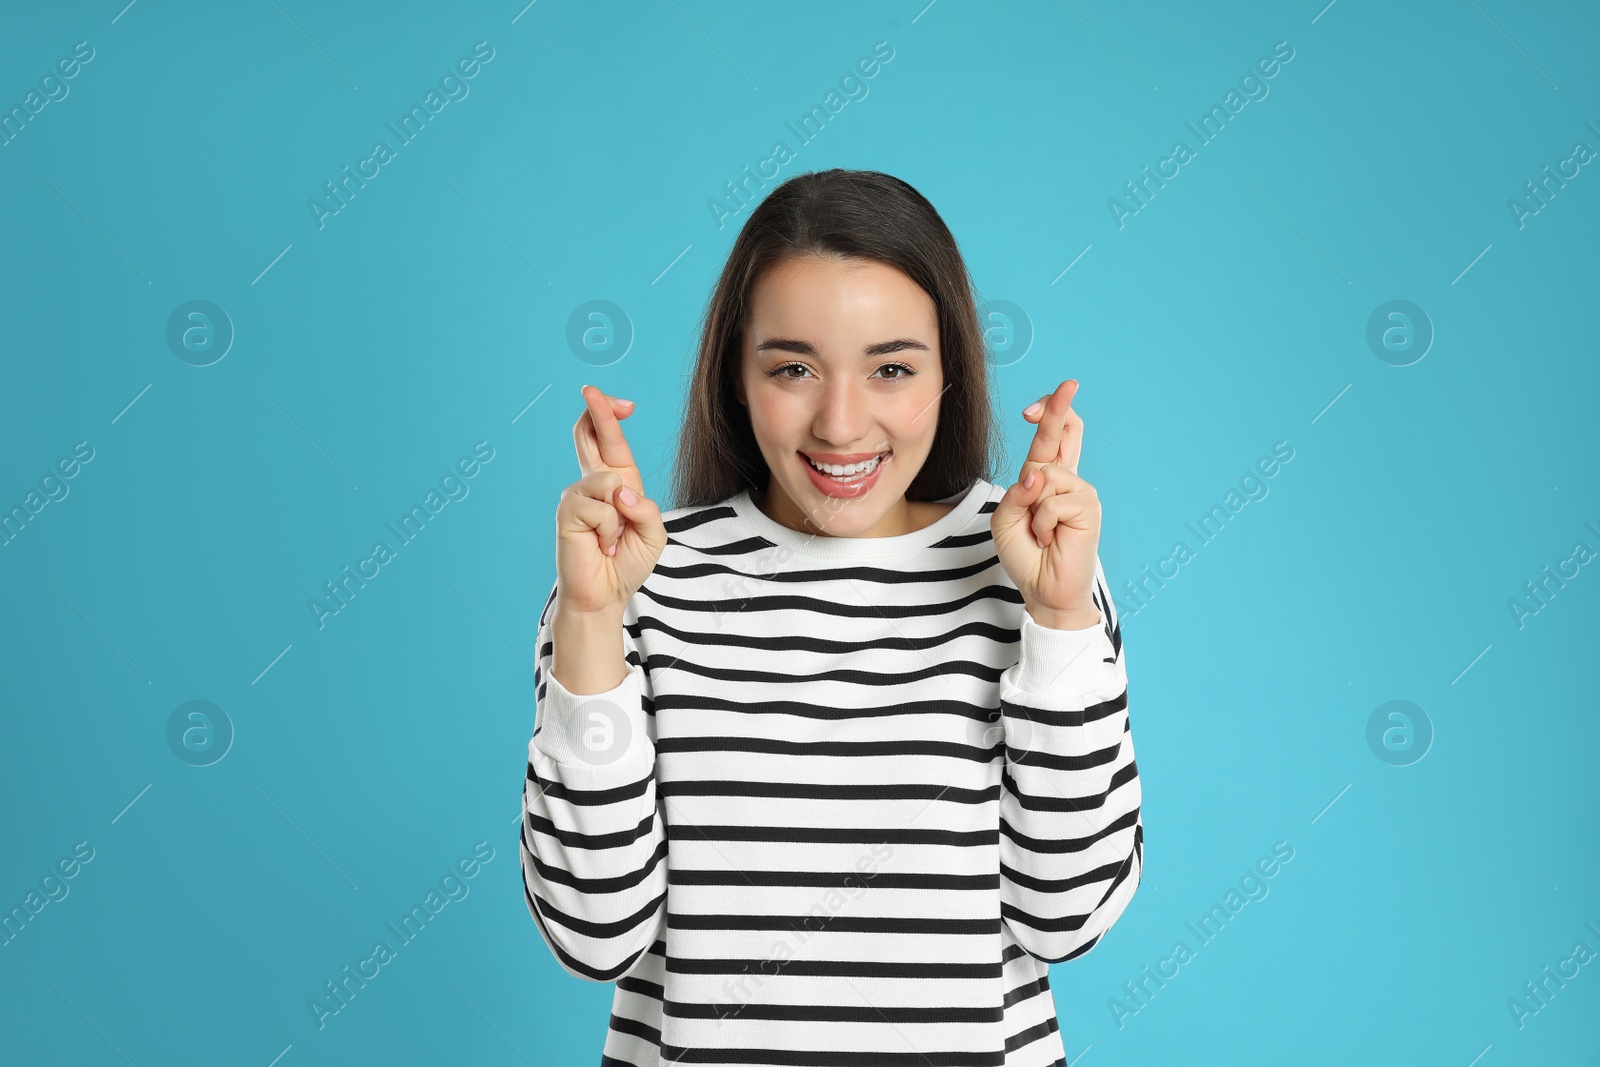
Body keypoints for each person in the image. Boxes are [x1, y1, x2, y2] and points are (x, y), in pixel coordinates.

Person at [520, 169, 1142, 1066]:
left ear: (950, 373)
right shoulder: (638, 578)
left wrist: (1054, 618)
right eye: (794, 368)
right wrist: (589, 618)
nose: (841, 424)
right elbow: (594, 934)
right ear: (736, 372)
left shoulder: (1036, 569)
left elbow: (1067, 913)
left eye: (891, 367)